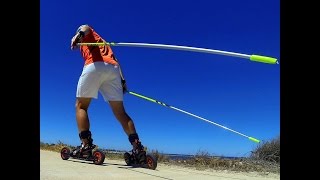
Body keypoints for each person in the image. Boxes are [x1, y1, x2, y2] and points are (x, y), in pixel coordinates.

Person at [70, 24, 146, 163]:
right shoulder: (103, 43)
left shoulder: (87, 35)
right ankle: (138, 149)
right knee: (120, 112)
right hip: (113, 70)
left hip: (94, 65)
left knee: (81, 106)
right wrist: (122, 81)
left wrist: (79, 34)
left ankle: (86, 145)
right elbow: (116, 61)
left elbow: (86, 27)